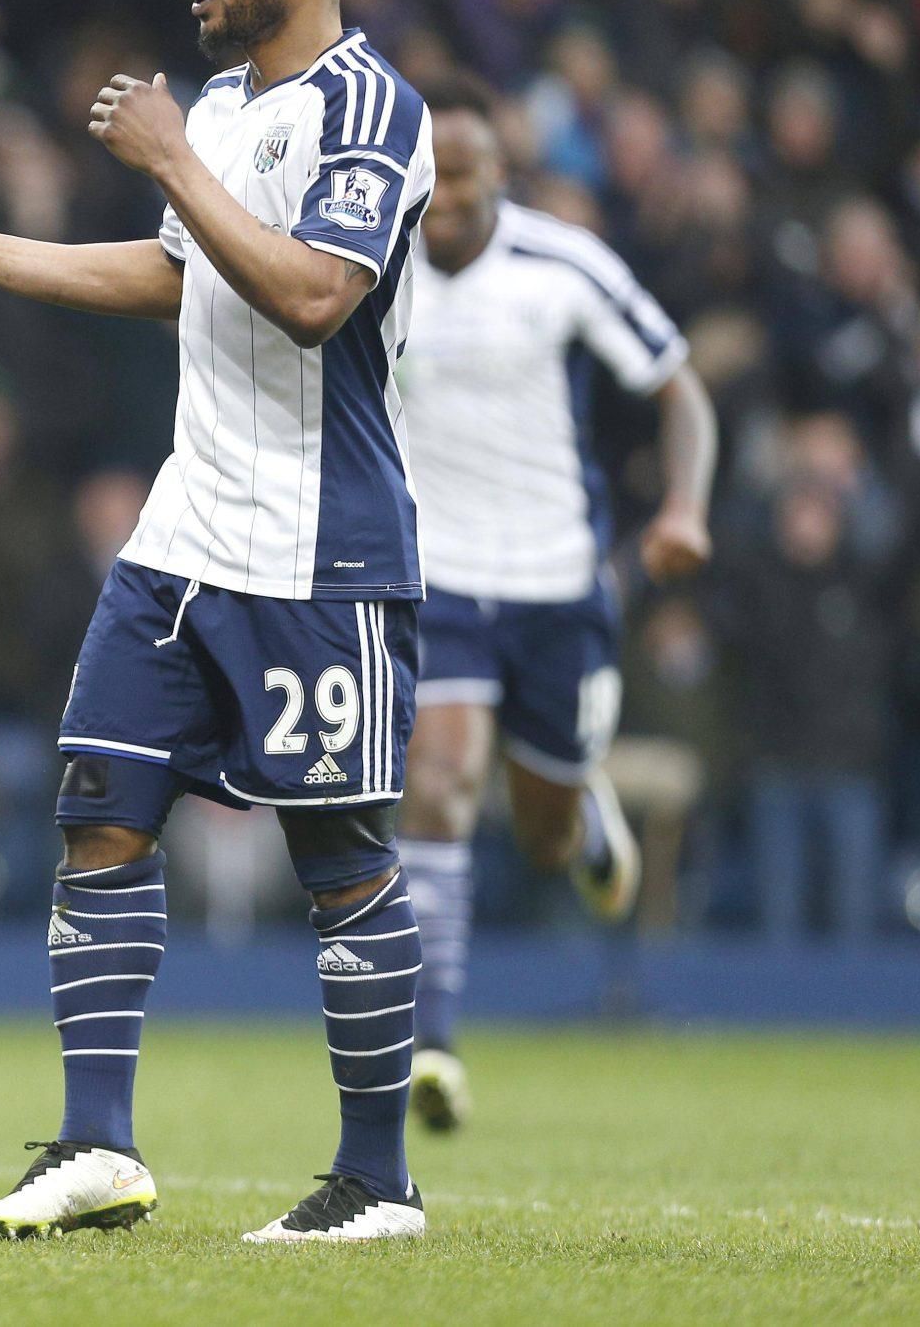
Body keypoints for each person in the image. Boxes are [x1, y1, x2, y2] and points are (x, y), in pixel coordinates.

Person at [0, 0, 435, 1242]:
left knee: (340, 855)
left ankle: (377, 1179)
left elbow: (313, 295)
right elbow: (178, 273)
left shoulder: (372, 108)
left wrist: (169, 158)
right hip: (180, 536)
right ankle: (97, 1143)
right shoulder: (220, 106)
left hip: (318, 549)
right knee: (99, 812)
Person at [392, 80, 717, 1132]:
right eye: (431, 177)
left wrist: (683, 506)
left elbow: (680, 387)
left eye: (465, 175)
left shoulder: (563, 264)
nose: (447, 197)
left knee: (539, 831)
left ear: (501, 174)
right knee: (439, 782)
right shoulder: (375, 263)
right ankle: (432, 1044)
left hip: (557, 585)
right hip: (437, 577)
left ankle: (581, 822)